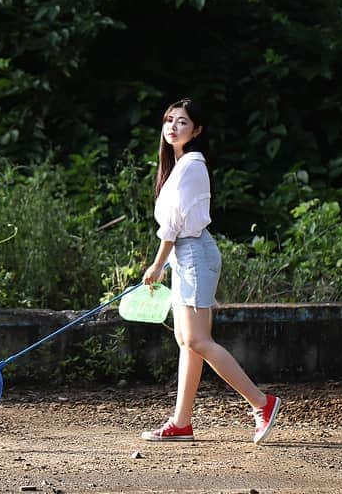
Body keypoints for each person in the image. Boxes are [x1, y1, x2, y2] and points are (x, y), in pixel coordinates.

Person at [140, 98, 281, 444]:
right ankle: (181, 422)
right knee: (186, 341)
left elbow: (173, 225)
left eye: (183, 122)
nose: (173, 126)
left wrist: (157, 264)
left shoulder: (191, 164)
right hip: (185, 256)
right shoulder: (176, 166)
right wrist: (165, 263)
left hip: (194, 256)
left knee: (198, 340)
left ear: (197, 130)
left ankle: (263, 403)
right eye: (169, 120)